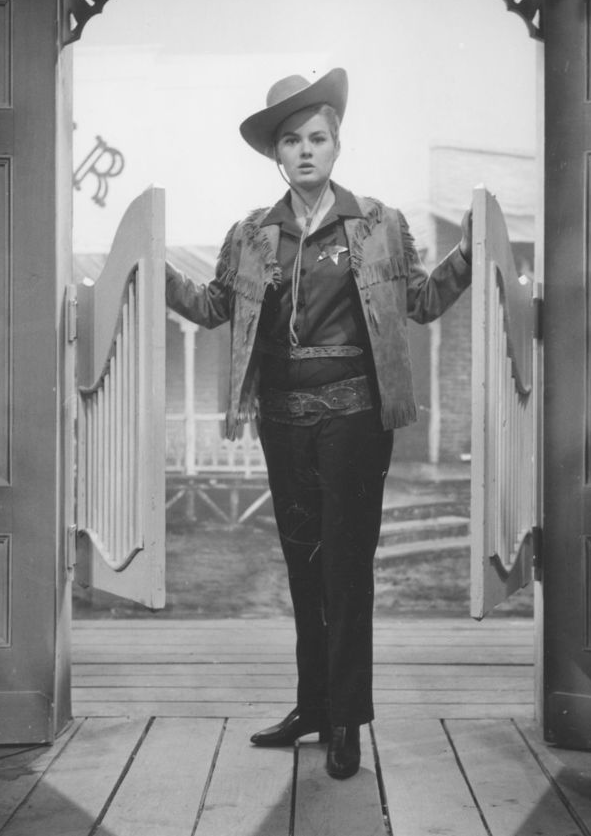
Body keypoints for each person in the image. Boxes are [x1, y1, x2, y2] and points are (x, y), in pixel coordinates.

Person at [166, 67, 472, 780]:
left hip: (357, 420)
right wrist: (155, 270)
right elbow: (213, 307)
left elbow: (422, 301)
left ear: (337, 145)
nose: (305, 151)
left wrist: (470, 254)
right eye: (291, 141)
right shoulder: (251, 234)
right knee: (303, 567)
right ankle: (312, 705)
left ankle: (347, 720)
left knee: (345, 569)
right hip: (282, 421)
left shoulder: (379, 225)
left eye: (317, 138)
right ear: (276, 153)